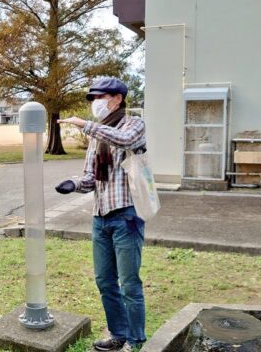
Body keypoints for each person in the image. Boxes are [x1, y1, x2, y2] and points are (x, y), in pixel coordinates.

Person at [56, 77, 147, 352]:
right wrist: (74, 184)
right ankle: (118, 334)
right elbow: (92, 177)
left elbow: (125, 140)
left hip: (127, 216)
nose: (96, 103)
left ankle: (135, 340)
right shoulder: (97, 137)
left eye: (100, 97)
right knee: (105, 281)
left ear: (117, 98)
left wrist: (85, 125)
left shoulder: (134, 124)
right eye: (93, 98)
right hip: (101, 217)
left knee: (129, 283)